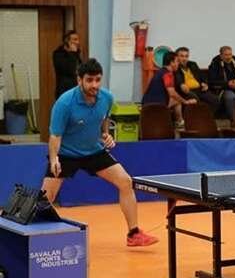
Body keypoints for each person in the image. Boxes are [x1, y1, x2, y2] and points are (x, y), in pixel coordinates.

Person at [42, 59, 158, 247]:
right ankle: (36, 238)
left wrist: (105, 134)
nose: (94, 85)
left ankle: (134, 233)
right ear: (79, 80)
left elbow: (104, 118)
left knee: (125, 181)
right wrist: (54, 159)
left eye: (97, 80)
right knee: (46, 197)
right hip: (66, 154)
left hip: (93, 151)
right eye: (89, 80)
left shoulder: (107, 98)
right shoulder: (64, 103)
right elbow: (55, 135)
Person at [142, 51, 197, 128]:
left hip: (146, 104)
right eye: (177, 61)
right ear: (172, 63)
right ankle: (180, 122)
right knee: (178, 100)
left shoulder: (160, 72)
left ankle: (179, 122)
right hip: (157, 106)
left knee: (176, 101)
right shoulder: (168, 74)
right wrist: (186, 102)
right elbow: (172, 93)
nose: (178, 64)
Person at [174, 47, 219, 111]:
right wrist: (181, 84)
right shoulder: (176, 67)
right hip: (187, 91)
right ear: (176, 57)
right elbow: (177, 77)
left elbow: (202, 76)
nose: (184, 59)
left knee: (215, 99)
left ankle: (208, 116)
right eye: (182, 56)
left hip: (199, 89)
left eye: (186, 56)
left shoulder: (193, 64)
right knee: (195, 99)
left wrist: (204, 83)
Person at [53, 30, 82, 99]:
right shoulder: (58, 54)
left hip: (76, 90)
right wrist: (72, 53)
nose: (77, 42)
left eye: (78, 39)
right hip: (64, 91)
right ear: (67, 41)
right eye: (75, 39)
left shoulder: (77, 53)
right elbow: (70, 70)